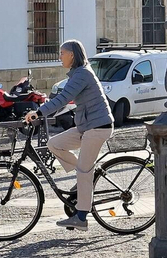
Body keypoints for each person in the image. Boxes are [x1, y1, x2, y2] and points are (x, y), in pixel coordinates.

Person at [25, 39, 112, 231]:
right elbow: (66, 103)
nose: (59, 57)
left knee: (83, 172)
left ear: (72, 55)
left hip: (97, 127)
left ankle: (81, 218)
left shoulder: (81, 75)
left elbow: (63, 98)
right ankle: (87, 174)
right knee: (54, 144)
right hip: (86, 127)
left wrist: (39, 112)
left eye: (62, 53)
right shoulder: (77, 74)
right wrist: (48, 112)